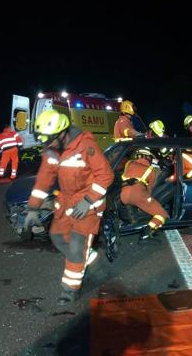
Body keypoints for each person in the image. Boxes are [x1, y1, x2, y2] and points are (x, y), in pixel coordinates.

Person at [24, 109, 114, 304]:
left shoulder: (85, 145)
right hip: (66, 202)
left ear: (62, 133)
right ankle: (87, 258)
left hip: (89, 205)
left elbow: (105, 175)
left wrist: (88, 200)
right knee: (56, 237)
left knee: (75, 246)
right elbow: (43, 180)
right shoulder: (52, 150)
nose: (47, 145)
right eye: (44, 140)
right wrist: (32, 208)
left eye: (50, 140)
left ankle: (69, 290)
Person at [120, 148, 169, 241]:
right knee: (162, 214)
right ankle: (146, 234)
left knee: (132, 201)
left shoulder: (129, 163)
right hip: (138, 195)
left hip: (123, 194)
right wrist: (147, 200)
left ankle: (131, 211)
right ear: (148, 158)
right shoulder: (151, 170)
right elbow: (149, 189)